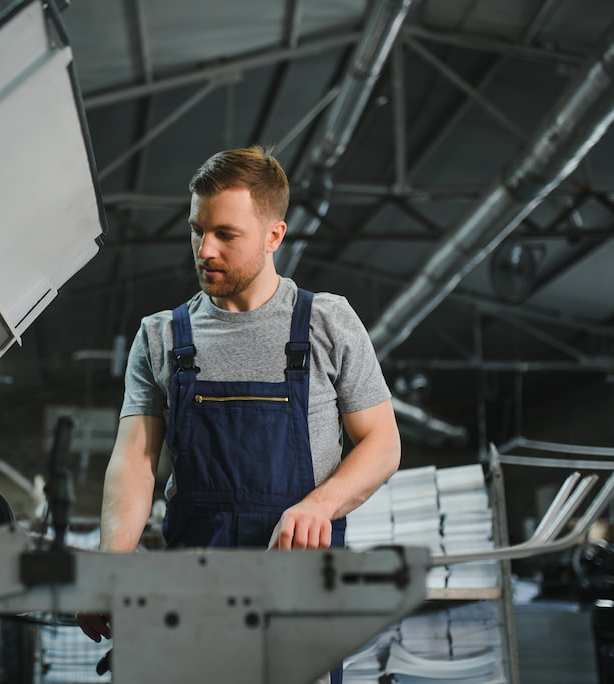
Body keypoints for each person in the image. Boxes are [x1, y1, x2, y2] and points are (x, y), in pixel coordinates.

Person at [78, 146, 400, 682]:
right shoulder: (161, 337)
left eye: (226, 234)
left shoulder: (326, 323)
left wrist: (319, 506)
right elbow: (135, 460)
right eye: (196, 230)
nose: (205, 249)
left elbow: (382, 443)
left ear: (274, 235)